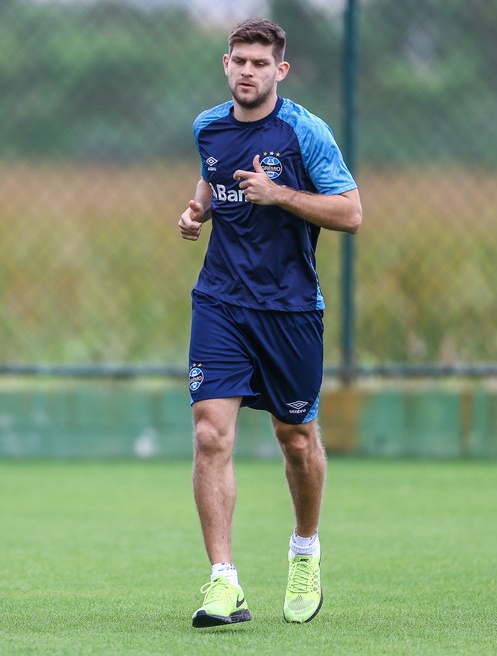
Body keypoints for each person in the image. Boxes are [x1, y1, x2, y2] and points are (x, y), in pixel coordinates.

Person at [178, 18, 362, 627]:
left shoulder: (304, 133)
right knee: (210, 434)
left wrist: (280, 195)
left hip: (289, 309)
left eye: (260, 63)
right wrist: (196, 210)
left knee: (297, 439)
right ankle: (223, 583)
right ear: (225, 64)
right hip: (221, 302)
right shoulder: (208, 126)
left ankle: (305, 549)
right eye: (239, 61)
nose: (248, 71)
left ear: (279, 70)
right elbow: (211, 176)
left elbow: (351, 213)